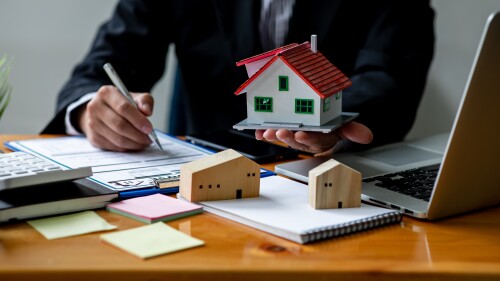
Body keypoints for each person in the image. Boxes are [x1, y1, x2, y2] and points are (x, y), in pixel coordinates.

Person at [42, 0, 435, 155]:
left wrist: (333, 120)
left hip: (340, 176)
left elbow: (391, 72)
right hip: (210, 174)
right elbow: (103, 66)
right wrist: (90, 111)